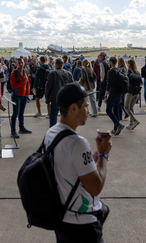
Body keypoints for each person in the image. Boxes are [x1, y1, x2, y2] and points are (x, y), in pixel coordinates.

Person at [44, 82, 111, 243]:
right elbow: (95, 187)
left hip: (62, 220)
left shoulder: (51, 133)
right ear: (74, 108)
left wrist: (89, 162)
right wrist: (103, 154)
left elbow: (67, 169)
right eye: (86, 106)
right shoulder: (77, 143)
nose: (88, 111)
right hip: (82, 226)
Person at [45, 58, 74, 128]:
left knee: (53, 117)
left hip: (56, 98)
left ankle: (53, 133)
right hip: (66, 99)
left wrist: (47, 97)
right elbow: (72, 86)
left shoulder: (53, 73)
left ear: (55, 64)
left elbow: (48, 86)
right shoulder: (68, 73)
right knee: (65, 117)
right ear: (62, 64)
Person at [10, 58, 31, 138]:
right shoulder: (14, 73)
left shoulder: (25, 71)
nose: (21, 64)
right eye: (19, 63)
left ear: (24, 63)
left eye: (22, 62)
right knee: (15, 113)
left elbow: (27, 83)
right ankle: (13, 131)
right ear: (17, 64)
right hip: (16, 96)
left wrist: (27, 93)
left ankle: (21, 128)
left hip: (23, 96)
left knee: (21, 113)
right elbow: (13, 86)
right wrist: (22, 81)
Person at [104, 57, 125, 135]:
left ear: (111, 62)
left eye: (109, 62)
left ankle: (118, 125)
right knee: (115, 110)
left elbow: (108, 84)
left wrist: (106, 96)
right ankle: (115, 129)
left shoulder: (111, 71)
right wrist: (122, 96)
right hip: (119, 94)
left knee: (108, 110)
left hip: (113, 93)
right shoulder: (119, 70)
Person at [125, 59, 142, 130]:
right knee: (131, 107)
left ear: (129, 64)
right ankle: (131, 124)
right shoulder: (137, 72)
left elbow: (126, 82)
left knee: (126, 107)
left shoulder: (129, 72)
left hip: (130, 92)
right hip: (137, 92)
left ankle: (134, 120)